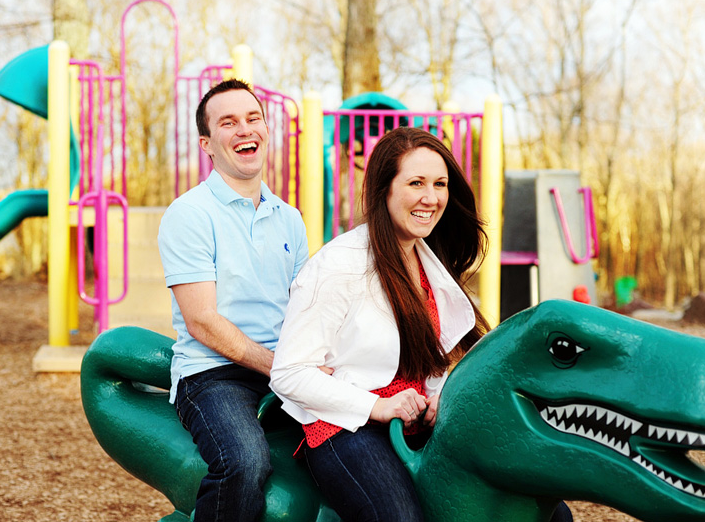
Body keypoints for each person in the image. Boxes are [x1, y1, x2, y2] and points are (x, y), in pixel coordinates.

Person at [270, 127, 574, 522]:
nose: (431, 198)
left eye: (440, 184)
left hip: (414, 421)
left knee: (545, 512)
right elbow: (289, 373)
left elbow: (430, 361)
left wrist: (437, 397)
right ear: (385, 190)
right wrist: (377, 406)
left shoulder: (428, 261)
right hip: (344, 425)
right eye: (416, 183)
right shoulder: (337, 266)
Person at [157, 78, 309, 522]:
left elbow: (304, 308)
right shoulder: (189, 214)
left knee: (359, 443)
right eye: (228, 122)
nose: (245, 129)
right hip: (213, 375)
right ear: (207, 143)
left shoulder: (290, 218)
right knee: (244, 464)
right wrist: (279, 366)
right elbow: (202, 321)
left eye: (253, 118)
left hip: (282, 367)